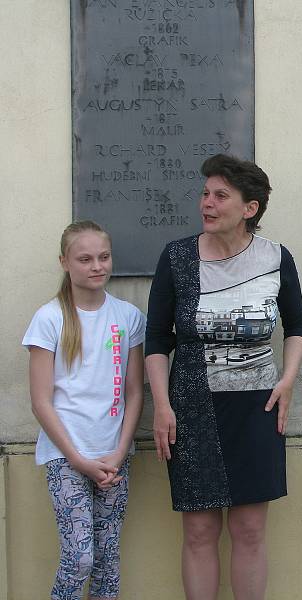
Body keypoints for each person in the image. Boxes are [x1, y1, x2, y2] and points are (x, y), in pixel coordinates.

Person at [145, 153, 302, 599]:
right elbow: (157, 338)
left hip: (258, 405)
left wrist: (287, 380)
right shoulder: (178, 257)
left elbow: (297, 328)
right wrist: (161, 405)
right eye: (205, 193)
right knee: (199, 530)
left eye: (220, 195)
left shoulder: (276, 258)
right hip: (191, 405)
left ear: (249, 208)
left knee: (250, 529)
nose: (207, 203)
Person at [22, 220, 145, 600]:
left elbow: (135, 392)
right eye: (85, 258)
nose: (97, 266)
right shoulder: (49, 318)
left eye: (103, 257)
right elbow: (41, 401)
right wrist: (78, 459)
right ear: (65, 262)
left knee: (107, 559)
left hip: (113, 455)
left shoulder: (128, 317)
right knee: (79, 558)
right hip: (66, 456)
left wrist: (120, 451)